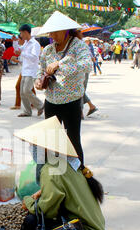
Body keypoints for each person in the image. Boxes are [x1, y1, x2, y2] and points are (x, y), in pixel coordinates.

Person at [14, 117, 105, 230]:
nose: (31, 149)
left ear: (45, 149)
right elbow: (65, 189)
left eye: (33, 146)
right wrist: (42, 191)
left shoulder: (50, 170)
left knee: (32, 219)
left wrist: (28, 201)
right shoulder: (68, 161)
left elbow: (47, 209)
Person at [34, 11, 93, 165]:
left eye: (56, 32)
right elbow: (40, 70)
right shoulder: (48, 50)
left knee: (73, 142)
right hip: (51, 101)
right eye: (50, 32)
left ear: (66, 30)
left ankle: (80, 178)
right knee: (50, 141)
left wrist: (60, 64)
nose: (52, 35)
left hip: (71, 101)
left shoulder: (78, 46)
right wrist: (38, 82)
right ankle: (53, 178)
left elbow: (87, 65)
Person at [15, 24, 44, 118]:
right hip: (25, 70)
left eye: (21, 33)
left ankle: (40, 105)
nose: (21, 35)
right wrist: (15, 44)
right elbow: (19, 49)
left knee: (26, 90)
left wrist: (22, 53)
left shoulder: (35, 44)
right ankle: (27, 111)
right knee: (22, 92)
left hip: (31, 71)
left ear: (26, 32)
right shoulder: (26, 43)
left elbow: (34, 58)